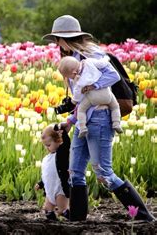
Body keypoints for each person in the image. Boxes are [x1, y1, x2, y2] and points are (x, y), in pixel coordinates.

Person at [43, 15, 155, 222]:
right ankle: (76, 219)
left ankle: (143, 216)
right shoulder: (73, 57)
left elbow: (110, 77)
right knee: (74, 171)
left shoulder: (92, 56)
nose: (56, 45)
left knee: (104, 173)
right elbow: (80, 98)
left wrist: (92, 86)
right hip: (83, 120)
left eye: (57, 40)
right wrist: (70, 121)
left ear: (62, 39)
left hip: (101, 118)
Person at [58, 56, 123, 138]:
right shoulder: (89, 61)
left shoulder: (79, 80)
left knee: (81, 110)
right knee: (115, 107)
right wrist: (106, 58)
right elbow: (102, 63)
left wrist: (73, 102)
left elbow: (77, 96)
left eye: (69, 77)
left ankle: (82, 128)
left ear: (74, 73)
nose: (70, 79)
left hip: (92, 98)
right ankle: (116, 123)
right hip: (106, 93)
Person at [35, 124, 70, 220]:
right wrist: (41, 183)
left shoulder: (61, 155)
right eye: (45, 146)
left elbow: (67, 144)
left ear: (58, 141)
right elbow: (47, 174)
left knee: (62, 209)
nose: (47, 148)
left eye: (49, 145)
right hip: (49, 189)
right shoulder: (47, 158)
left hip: (60, 189)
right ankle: (53, 224)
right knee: (47, 209)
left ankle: (73, 219)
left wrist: (63, 134)